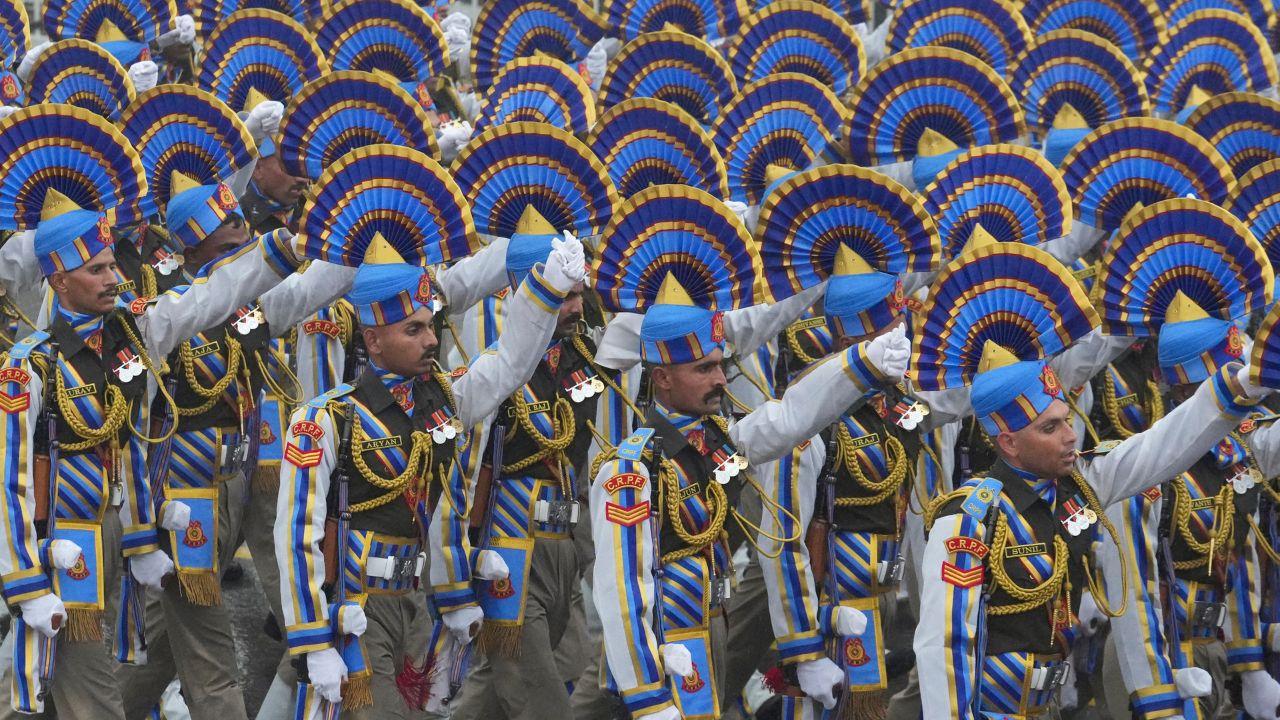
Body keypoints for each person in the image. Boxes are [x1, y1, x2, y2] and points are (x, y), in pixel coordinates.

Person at [0, 104, 307, 719]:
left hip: (119, 538)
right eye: (97, 269)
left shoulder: (135, 330)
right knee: (91, 699)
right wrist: (24, 582)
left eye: (113, 264)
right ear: (58, 283)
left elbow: (211, 295)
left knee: (81, 686)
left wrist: (283, 247)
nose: (114, 277)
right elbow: (9, 483)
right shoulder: (29, 369)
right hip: (62, 548)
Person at [912, 239, 1276, 719]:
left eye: (1066, 420)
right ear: (1008, 443)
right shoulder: (968, 520)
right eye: (1050, 428)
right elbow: (943, 648)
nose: (1070, 435)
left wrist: (1234, 389)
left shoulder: (1081, 483)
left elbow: (1160, 447)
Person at [276, 163, 588, 718]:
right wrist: (310, 639)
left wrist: (544, 293)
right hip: (355, 611)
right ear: (373, 340)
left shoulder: (442, 400)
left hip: (416, 607)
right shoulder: (326, 420)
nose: (429, 340)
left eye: (431, 326)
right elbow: (295, 536)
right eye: (413, 329)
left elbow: (508, 364)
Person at [587, 185, 909, 720]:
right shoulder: (632, 469)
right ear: (661, 379)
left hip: (711, 632)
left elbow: (791, 416)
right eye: (705, 369)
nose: (721, 379)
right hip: (665, 652)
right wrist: (648, 697)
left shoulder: (718, 440)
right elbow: (622, 590)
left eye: (720, 365)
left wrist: (861, 366)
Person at [1088, 198, 1280, 720]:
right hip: (1153, 662)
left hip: (1213, 648)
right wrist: (1159, 699)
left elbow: (1239, 560)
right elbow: (1136, 599)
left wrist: (1250, 666)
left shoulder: (1236, 453)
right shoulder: (1142, 470)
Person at [449, 206, 629, 720]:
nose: (575, 307)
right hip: (508, 553)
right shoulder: (489, 371)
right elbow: (460, 474)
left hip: (563, 549)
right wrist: (458, 567)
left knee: (495, 693)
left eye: (577, 294)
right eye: (562, 295)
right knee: (542, 703)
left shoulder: (585, 354)